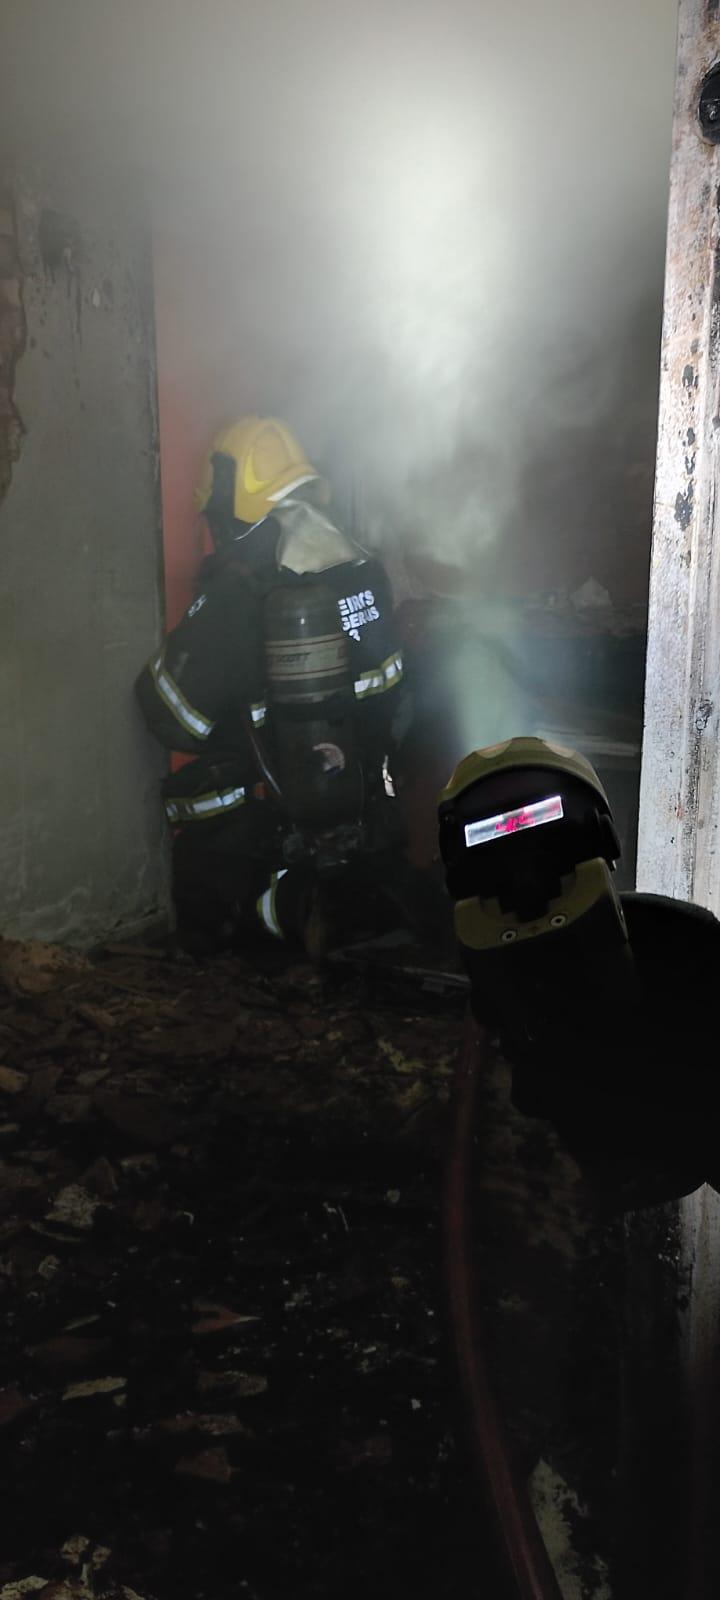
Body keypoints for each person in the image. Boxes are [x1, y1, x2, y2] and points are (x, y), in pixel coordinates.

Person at [135, 415, 413, 956]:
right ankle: (352, 905)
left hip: (276, 835)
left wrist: (201, 621)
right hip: (366, 817)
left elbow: (172, 717)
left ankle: (281, 917)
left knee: (203, 821)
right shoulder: (359, 564)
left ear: (228, 502)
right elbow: (392, 696)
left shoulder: (248, 586)